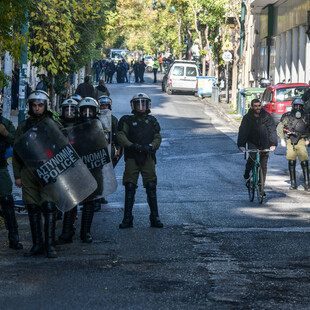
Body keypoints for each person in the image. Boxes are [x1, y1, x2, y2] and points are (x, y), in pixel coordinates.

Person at [12, 90, 61, 258]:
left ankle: (50, 245)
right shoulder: (24, 126)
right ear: (30, 107)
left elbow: (64, 146)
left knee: (48, 206)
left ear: (45, 106)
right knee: (32, 207)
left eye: (40, 105)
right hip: (29, 170)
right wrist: (17, 175)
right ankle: (37, 245)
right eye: (34, 105)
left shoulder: (53, 124)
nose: (37, 108)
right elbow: (17, 151)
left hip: (48, 168)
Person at [117, 93, 163, 228]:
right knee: (130, 186)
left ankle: (154, 217)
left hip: (148, 156)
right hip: (132, 156)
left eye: (144, 104)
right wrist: (131, 145)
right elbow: (120, 135)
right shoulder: (127, 120)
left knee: (151, 185)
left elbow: (157, 137)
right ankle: (127, 218)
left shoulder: (152, 121)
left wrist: (151, 146)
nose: (141, 107)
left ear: (148, 105)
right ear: (134, 106)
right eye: (138, 104)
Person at [237, 99, 277, 194]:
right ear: (251, 107)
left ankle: (261, 188)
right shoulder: (247, 118)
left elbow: (272, 130)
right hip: (252, 141)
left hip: (264, 143)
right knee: (252, 157)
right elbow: (243, 130)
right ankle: (247, 172)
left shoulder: (267, 116)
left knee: (263, 166)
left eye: (259, 105)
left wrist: (273, 144)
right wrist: (241, 145)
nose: (257, 108)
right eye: (255, 106)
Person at [0, 104, 23, 250]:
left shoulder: (4, 123)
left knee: (7, 200)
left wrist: (5, 134)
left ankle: (14, 238)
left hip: (0, 168)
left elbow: (16, 141)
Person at [56, 98, 79, 244]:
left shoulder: (81, 125)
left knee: (73, 198)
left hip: (77, 166)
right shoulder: (57, 125)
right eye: (67, 109)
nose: (69, 112)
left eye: (72, 109)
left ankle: (67, 231)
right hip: (60, 164)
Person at [276, 98, 310, 190]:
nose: (298, 108)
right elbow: (280, 127)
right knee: (291, 161)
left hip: (302, 140)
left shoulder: (306, 117)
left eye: (300, 106)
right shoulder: (287, 116)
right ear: (293, 106)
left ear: (303, 107)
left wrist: (309, 139)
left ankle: (307, 184)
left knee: (304, 162)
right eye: (296, 106)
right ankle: (293, 183)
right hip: (290, 140)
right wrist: (282, 139)